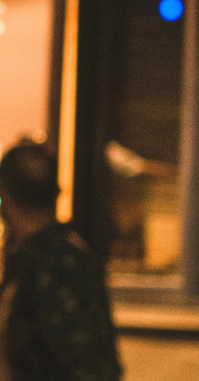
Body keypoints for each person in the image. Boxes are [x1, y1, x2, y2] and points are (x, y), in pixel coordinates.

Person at [0, 140, 122, 381]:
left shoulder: (46, 264)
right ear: (56, 194)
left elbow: (91, 369)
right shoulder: (67, 256)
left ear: (5, 198)